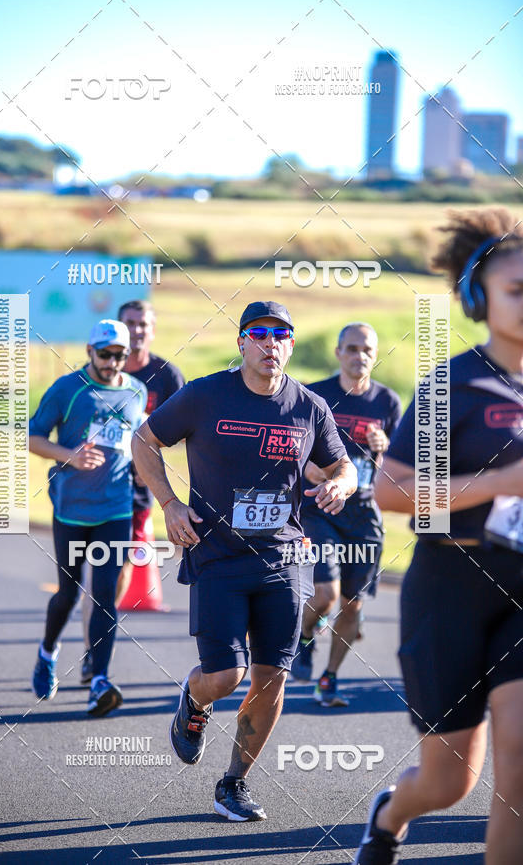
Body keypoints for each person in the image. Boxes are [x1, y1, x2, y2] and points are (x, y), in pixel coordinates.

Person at [132, 300, 357, 822]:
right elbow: (145, 440)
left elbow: (340, 465)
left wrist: (342, 487)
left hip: (283, 559)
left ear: (291, 346)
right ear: (242, 343)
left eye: (280, 336)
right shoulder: (205, 394)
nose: (269, 344)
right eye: (258, 334)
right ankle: (194, 698)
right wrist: (169, 504)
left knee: (272, 676)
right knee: (227, 674)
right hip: (216, 555)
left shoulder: (308, 407)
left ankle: (233, 783)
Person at [355, 208, 523, 864]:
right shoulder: (452, 384)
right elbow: (392, 491)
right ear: (479, 298)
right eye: (518, 290)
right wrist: (500, 481)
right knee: (449, 782)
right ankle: (391, 813)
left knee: (518, 757)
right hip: (450, 585)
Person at [29, 319, 146, 717]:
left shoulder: (136, 390)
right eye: (105, 354)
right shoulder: (68, 388)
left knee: (106, 594)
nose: (113, 363)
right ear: (89, 351)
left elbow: (140, 441)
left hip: (116, 507)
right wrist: (70, 456)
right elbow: (32, 437)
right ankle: (47, 653)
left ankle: (99, 680)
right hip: (72, 510)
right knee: (69, 592)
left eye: (121, 355)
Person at [291, 324, 401, 706]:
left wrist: (384, 447)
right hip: (321, 506)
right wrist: (315, 472)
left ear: (375, 353)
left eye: (367, 349)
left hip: (364, 512)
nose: (360, 356)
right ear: (338, 352)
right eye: (351, 348)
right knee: (325, 593)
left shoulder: (387, 401)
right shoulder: (316, 395)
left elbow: (397, 470)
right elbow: (295, 451)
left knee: (353, 603)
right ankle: (304, 639)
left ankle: (330, 678)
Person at [78, 300, 185, 682]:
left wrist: (149, 463)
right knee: (96, 571)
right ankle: (94, 650)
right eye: (130, 323)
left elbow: (180, 432)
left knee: (118, 568)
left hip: (136, 489)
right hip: (90, 486)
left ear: (152, 331)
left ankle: (95, 648)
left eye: (143, 324)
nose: (137, 330)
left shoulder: (166, 376)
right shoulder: (98, 370)